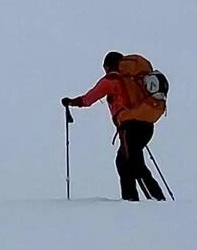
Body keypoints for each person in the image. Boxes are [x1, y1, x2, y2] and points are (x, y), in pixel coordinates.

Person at [62, 51, 165, 202]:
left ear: (108, 66)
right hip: (146, 125)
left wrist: (71, 102)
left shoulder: (112, 80)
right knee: (125, 161)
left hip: (129, 127)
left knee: (132, 163)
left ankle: (153, 202)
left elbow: (89, 99)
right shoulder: (135, 80)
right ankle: (135, 200)